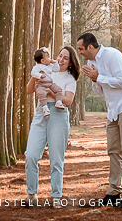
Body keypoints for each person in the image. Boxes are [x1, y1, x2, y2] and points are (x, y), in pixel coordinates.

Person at [76, 32, 122, 209]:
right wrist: (94, 79)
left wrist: (98, 77)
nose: (79, 52)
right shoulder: (92, 63)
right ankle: (113, 192)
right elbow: (99, 91)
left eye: (81, 49)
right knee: (113, 150)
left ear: (90, 47)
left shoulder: (113, 55)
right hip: (113, 109)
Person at [24, 45, 79, 202]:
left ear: (70, 63)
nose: (61, 60)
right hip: (41, 114)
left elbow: (68, 101)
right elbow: (29, 90)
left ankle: (56, 195)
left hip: (58, 115)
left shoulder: (69, 79)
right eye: (60, 56)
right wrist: (35, 76)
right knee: (31, 155)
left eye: (65, 58)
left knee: (56, 159)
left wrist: (53, 94)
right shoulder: (46, 70)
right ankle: (32, 194)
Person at [31, 47, 61, 118]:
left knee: (58, 89)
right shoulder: (37, 67)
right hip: (41, 84)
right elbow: (33, 73)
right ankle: (45, 108)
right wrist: (40, 75)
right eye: (48, 57)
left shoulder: (50, 66)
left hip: (50, 83)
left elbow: (56, 69)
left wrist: (55, 62)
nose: (50, 58)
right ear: (42, 60)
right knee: (41, 94)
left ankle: (59, 102)